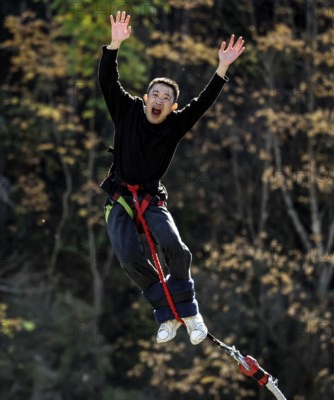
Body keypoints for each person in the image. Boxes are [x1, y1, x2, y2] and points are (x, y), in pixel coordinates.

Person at [99, 11, 245, 345]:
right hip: (120, 196)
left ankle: (191, 313)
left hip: (151, 198)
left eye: (167, 98)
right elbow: (107, 81)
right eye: (156, 94)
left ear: (172, 106)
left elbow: (203, 103)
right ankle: (167, 314)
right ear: (146, 97)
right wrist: (115, 45)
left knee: (177, 249)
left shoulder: (175, 124)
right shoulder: (128, 110)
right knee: (129, 257)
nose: (160, 100)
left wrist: (221, 68)